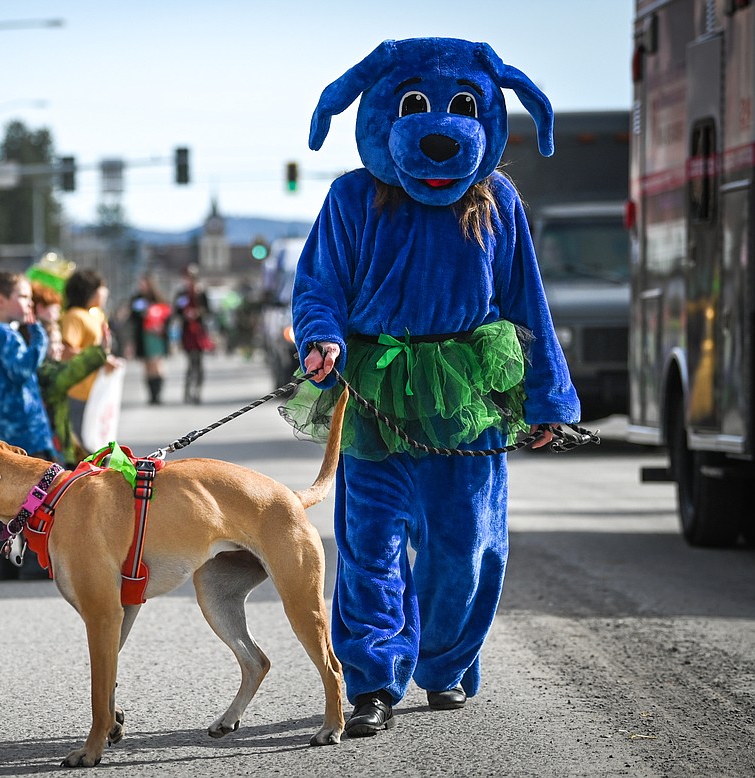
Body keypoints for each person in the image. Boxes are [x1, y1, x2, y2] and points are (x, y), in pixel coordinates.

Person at [286, 37, 580, 736]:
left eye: (462, 107)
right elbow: (318, 284)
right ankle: (374, 680)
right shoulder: (352, 197)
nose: (441, 128)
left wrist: (549, 402)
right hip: (375, 391)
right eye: (416, 106)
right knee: (371, 544)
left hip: (468, 394)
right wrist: (321, 336)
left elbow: (526, 304)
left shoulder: (498, 200)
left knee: (466, 547)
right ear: (383, 114)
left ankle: (445, 663)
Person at [0, 272, 53, 581]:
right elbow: (22, 370)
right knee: (36, 495)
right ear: (0, 301)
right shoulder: (6, 335)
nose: (29, 303)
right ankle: (34, 561)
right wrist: (39, 336)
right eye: (23, 297)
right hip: (23, 431)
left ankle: (0, 564)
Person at [34, 284, 109, 467]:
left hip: (59, 450)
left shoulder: (48, 366)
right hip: (47, 451)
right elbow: (64, 377)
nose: (60, 347)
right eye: (55, 343)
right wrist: (99, 352)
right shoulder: (42, 372)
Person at [60, 269, 121, 443]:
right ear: (90, 290)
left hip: (98, 392)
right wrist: (100, 361)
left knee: (101, 443)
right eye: (102, 287)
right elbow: (66, 351)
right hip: (79, 392)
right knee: (85, 445)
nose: (106, 292)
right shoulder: (74, 316)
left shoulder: (96, 314)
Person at [126, 275, 170, 405]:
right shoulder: (137, 299)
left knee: (156, 365)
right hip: (143, 336)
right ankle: (151, 394)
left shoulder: (158, 299)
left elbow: (167, 315)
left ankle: (158, 393)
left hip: (156, 336)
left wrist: (160, 326)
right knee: (147, 367)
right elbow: (132, 318)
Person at [174, 265, 213, 405]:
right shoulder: (181, 294)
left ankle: (198, 391)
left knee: (199, 363)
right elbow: (176, 311)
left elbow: (208, 311)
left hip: (199, 331)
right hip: (187, 332)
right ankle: (188, 391)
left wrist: (199, 311)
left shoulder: (201, 293)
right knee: (190, 363)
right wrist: (185, 314)